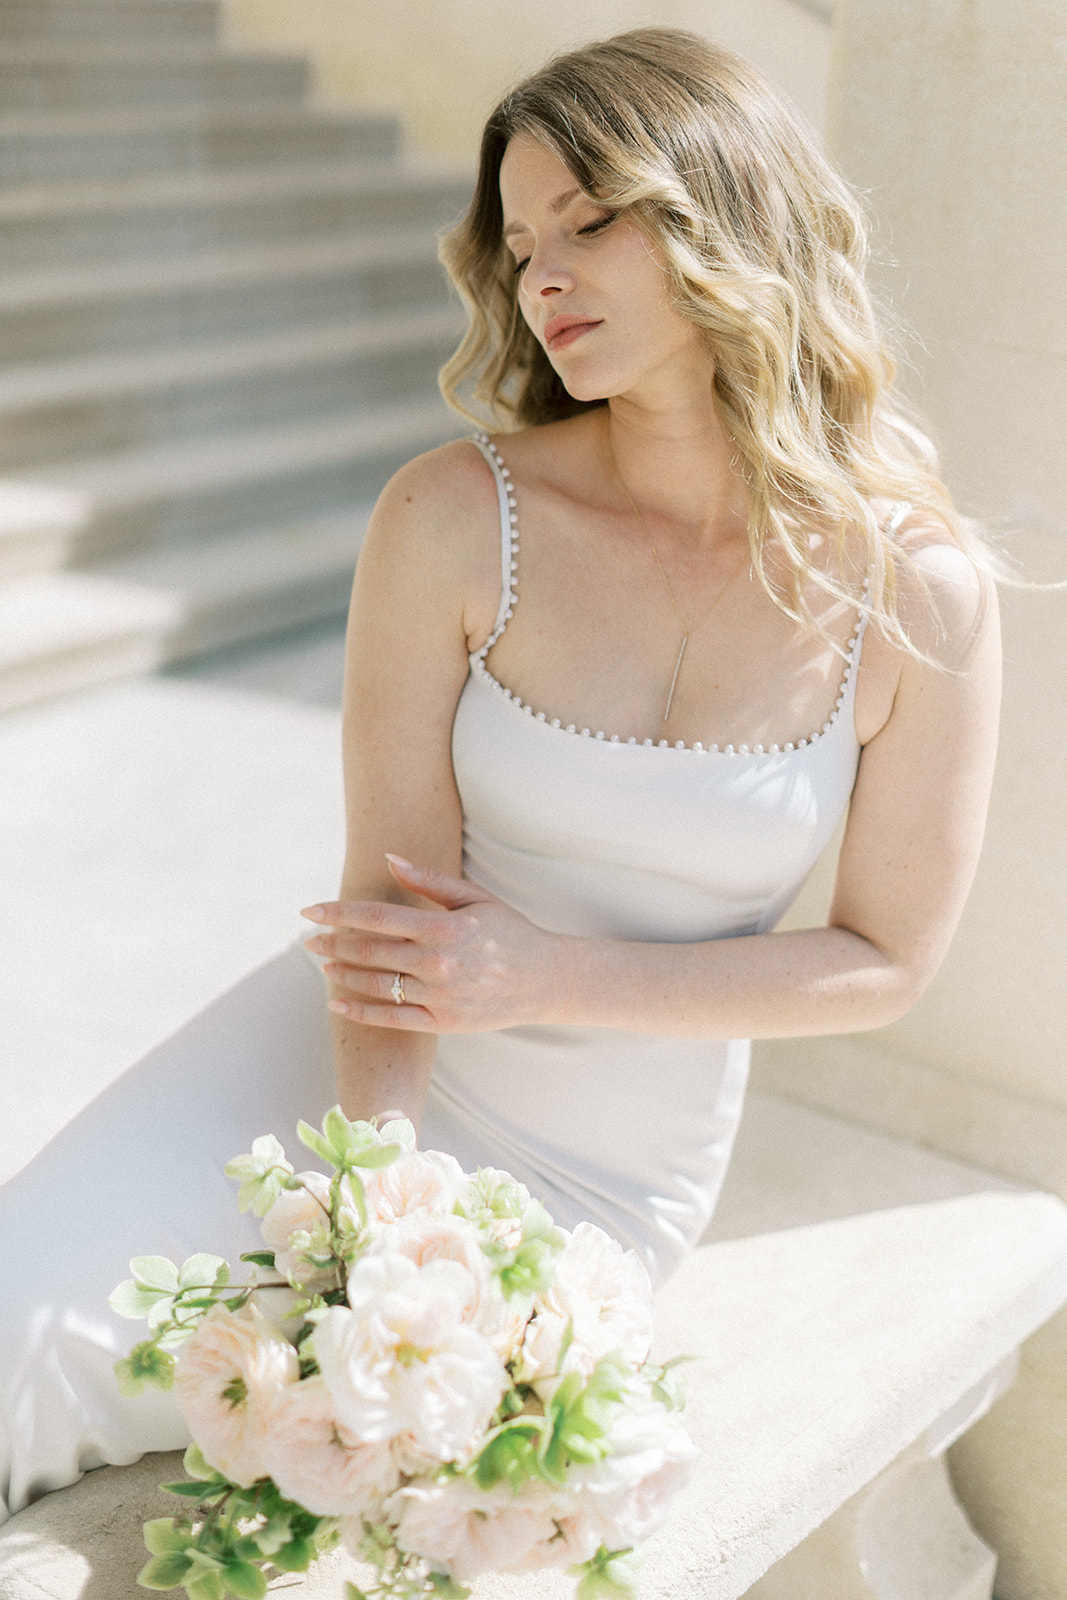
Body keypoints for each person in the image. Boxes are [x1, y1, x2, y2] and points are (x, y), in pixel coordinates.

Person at [0, 28, 999, 1525]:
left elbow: (882, 964)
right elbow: (385, 914)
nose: (541, 276)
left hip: (611, 1166)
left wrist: (536, 976)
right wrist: (376, 1219)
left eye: (590, 223)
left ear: (727, 217)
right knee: (21, 1349)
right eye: (523, 241)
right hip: (354, 1078)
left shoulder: (916, 591)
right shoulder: (457, 518)